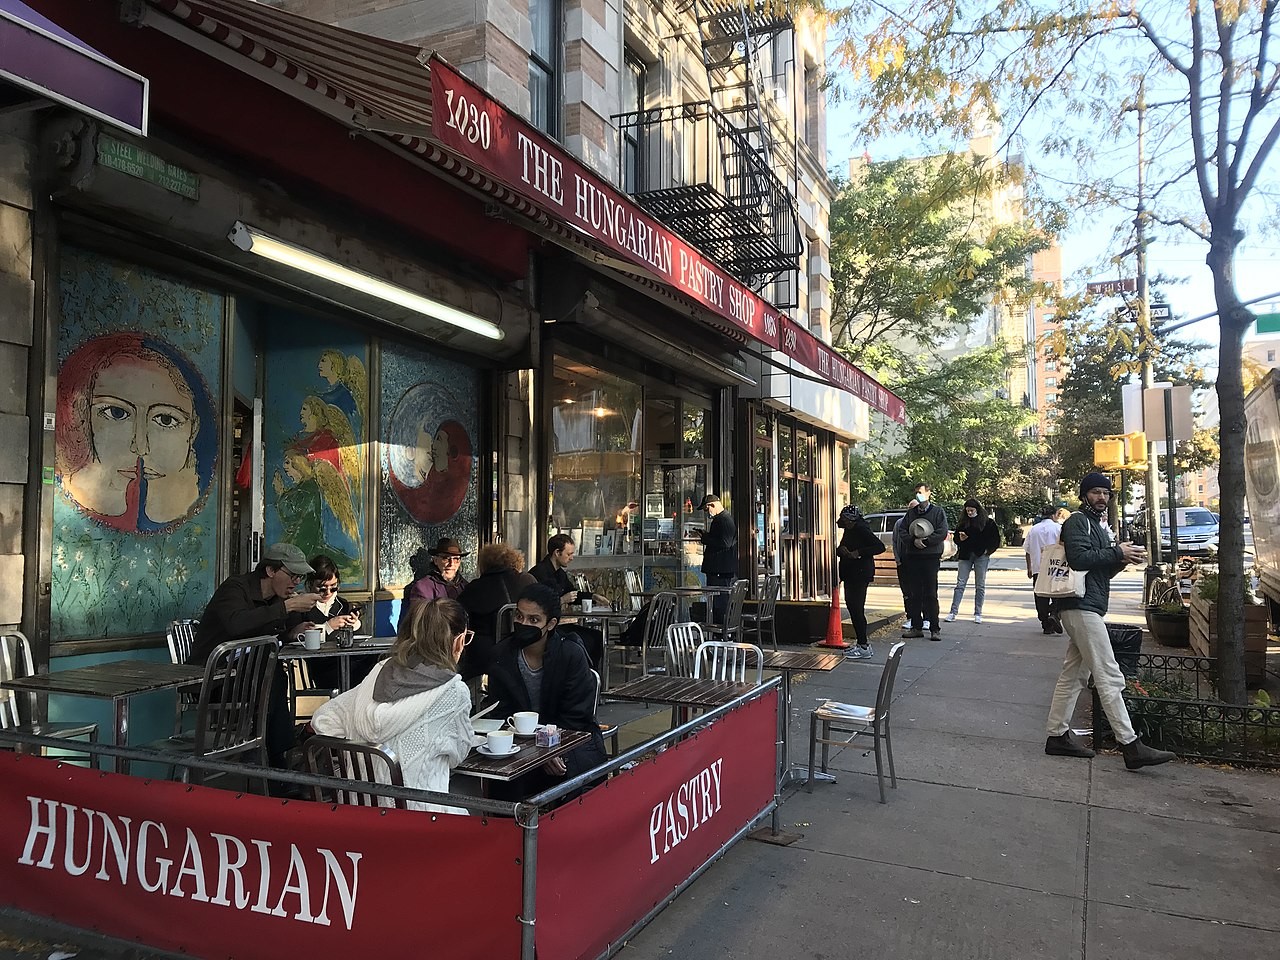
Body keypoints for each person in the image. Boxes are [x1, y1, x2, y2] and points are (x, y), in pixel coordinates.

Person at [1044, 473, 1175, 770]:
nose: (1101, 497)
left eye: (1105, 493)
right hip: (1080, 607)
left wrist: (1121, 559)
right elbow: (1078, 559)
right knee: (1109, 674)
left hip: (1086, 605)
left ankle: (1056, 736)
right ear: (1084, 495)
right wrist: (1116, 551)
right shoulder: (1078, 521)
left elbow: (1097, 569)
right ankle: (1130, 745)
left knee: (1073, 675)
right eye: (1095, 492)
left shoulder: (1098, 526)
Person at [311, 599, 476, 813]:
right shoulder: (454, 692)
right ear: (458, 641)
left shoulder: (380, 670)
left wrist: (352, 760)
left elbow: (323, 719)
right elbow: (459, 755)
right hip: (422, 819)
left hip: (356, 811)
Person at [189, 543, 320, 778]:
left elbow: (269, 636)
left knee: (271, 671)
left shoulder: (275, 600)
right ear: (270, 571)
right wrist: (286, 606)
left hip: (249, 680)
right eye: (292, 575)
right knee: (269, 672)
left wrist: (292, 631)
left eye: (299, 577)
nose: (296, 583)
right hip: (212, 679)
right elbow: (237, 624)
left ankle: (266, 754)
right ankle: (273, 760)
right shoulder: (235, 588)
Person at [483, 583, 607, 800]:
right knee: (504, 781)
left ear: (551, 624)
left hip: (569, 740)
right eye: (519, 616)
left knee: (566, 776)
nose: (523, 624)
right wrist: (534, 751)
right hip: (519, 746)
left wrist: (548, 749)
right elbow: (499, 712)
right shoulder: (501, 656)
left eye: (533, 620)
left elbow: (576, 717)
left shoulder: (570, 654)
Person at [286, 554, 375, 689]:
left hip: (350, 661)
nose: (328, 592)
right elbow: (296, 640)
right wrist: (328, 627)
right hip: (325, 667)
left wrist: (355, 625)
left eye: (333, 587)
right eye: (322, 588)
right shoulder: (300, 607)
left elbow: (360, 643)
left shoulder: (344, 605)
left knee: (380, 660)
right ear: (310, 584)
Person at [458, 542, 537, 683]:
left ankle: (472, 698)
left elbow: (458, 616)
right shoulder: (527, 580)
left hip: (485, 654)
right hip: (525, 648)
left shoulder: (475, 587)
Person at [529, 534, 605, 670]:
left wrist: (594, 597)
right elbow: (538, 606)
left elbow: (573, 594)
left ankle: (591, 677)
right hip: (546, 628)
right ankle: (582, 676)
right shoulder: (539, 573)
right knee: (582, 640)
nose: (572, 558)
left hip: (557, 625)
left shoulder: (560, 573)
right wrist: (562, 600)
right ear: (557, 553)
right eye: (569, 554)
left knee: (597, 637)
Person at [836, 505, 885, 659]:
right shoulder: (850, 530)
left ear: (852, 520)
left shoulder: (861, 529)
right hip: (851, 573)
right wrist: (841, 550)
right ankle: (861, 643)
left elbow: (879, 546)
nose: (843, 523)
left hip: (859, 573)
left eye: (845, 520)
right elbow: (843, 547)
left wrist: (858, 553)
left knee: (856, 608)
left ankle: (863, 645)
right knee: (853, 607)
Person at [900, 484, 949, 640]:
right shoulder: (911, 513)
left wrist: (926, 542)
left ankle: (935, 628)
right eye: (916, 493)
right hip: (913, 557)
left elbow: (942, 532)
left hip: (931, 556)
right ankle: (916, 626)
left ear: (928, 493)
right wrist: (913, 541)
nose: (918, 496)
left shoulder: (937, 512)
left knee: (930, 593)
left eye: (921, 492)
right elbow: (902, 531)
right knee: (914, 593)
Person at [945, 498, 1002, 623]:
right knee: (960, 584)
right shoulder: (963, 523)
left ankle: (978, 613)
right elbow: (956, 539)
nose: (969, 513)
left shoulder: (988, 523)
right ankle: (953, 612)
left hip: (981, 555)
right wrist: (961, 539)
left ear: (977, 510)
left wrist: (987, 551)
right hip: (966, 555)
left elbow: (995, 540)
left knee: (980, 585)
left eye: (971, 510)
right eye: (967, 511)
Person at [401, 538, 470, 629]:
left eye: (456, 559)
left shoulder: (465, 586)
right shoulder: (422, 587)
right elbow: (420, 625)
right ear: (436, 560)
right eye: (446, 558)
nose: (451, 564)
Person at [1025, 505, 1065, 634]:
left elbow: (1027, 550)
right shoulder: (1059, 529)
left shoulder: (1033, 530)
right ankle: (1054, 612)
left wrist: (1029, 567)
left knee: (1040, 595)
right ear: (1054, 515)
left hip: (1038, 567)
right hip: (1055, 566)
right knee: (1058, 594)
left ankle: (1045, 622)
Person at [697, 494, 738, 622]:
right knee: (718, 602)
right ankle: (722, 630)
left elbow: (725, 542)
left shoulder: (724, 520)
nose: (706, 512)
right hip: (719, 569)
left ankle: (723, 631)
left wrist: (706, 539)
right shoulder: (722, 519)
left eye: (706, 509)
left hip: (720, 570)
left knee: (720, 603)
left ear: (712, 505)